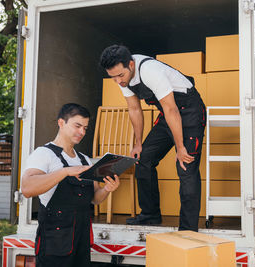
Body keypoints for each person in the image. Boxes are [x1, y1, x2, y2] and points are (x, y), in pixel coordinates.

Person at [100, 45, 206, 231]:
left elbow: (171, 108)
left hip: (189, 113)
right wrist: (138, 143)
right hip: (168, 114)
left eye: (120, 76)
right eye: (113, 77)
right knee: (144, 159)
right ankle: (150, 215)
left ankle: (188, 229)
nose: (117, 81)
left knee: (185, 167)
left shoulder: (150, 71)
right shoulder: (124, 79)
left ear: (131, 65)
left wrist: (180, 148)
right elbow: (134, 109)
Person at [21, 103, 120, 267]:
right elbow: (27, 188)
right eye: (77, 126)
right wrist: (64, 172)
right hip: (55, 244)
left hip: (81, 242)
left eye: (85, 128)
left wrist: (107, 189)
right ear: (61, 123)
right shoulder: (43, 154)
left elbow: (95, 199)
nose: (82, 132)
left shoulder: (84, 159)